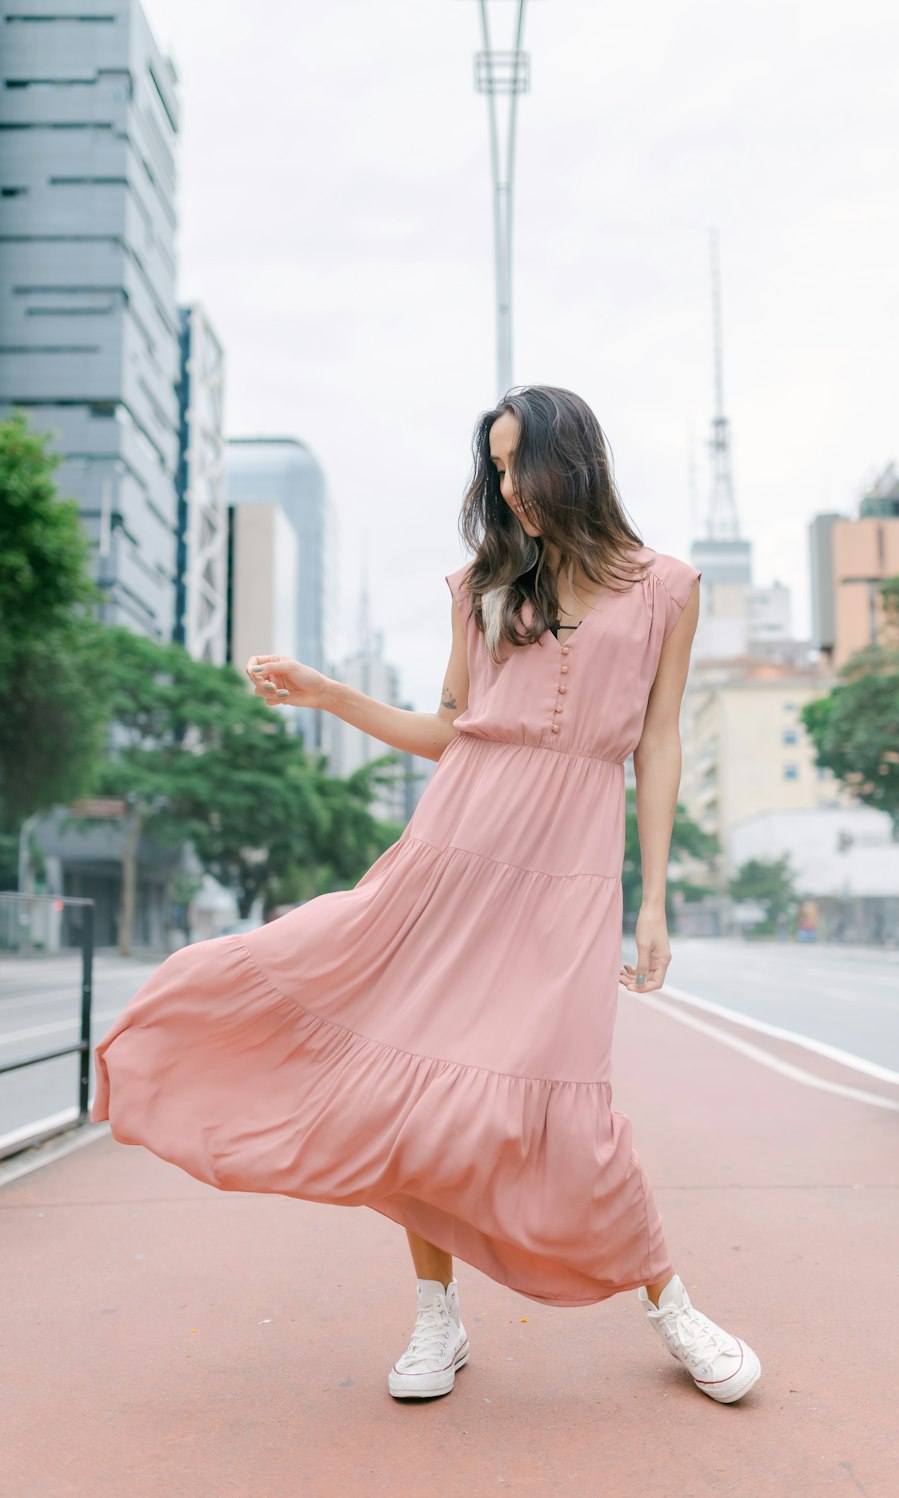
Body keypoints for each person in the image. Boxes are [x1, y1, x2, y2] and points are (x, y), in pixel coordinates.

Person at [91, 384, 761, 1406]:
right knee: (407, 1082)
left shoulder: (669, 585)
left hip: (570, 868)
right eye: (491, 468)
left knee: (568, 1100)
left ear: (569, 463)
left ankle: (668, 1300)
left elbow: (658, 741)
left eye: (514, 464)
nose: (502, 487)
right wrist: (332, 695)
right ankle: (436, 1319)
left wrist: (654, 898)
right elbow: (455, 727)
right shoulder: (485, 586)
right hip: (453, 849)